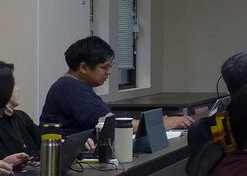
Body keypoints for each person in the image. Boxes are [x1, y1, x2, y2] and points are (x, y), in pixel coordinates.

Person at [41, 36, 191, 134]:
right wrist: (160, 124)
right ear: (84, 67)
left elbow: (107, 118)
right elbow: (108, 123)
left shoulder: (77, 86)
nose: (109, 72)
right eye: (105, 67)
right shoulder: (69, 87)